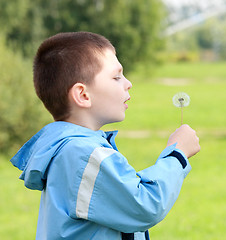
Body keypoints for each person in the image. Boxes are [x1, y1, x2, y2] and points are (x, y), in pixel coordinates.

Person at [10, 31, 200, 240]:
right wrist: (177, 154)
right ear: (83, 95)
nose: (128, 83)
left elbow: (125, 192)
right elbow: (143, 205)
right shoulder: (81, 154)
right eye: (116, 77)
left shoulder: (71, 150)